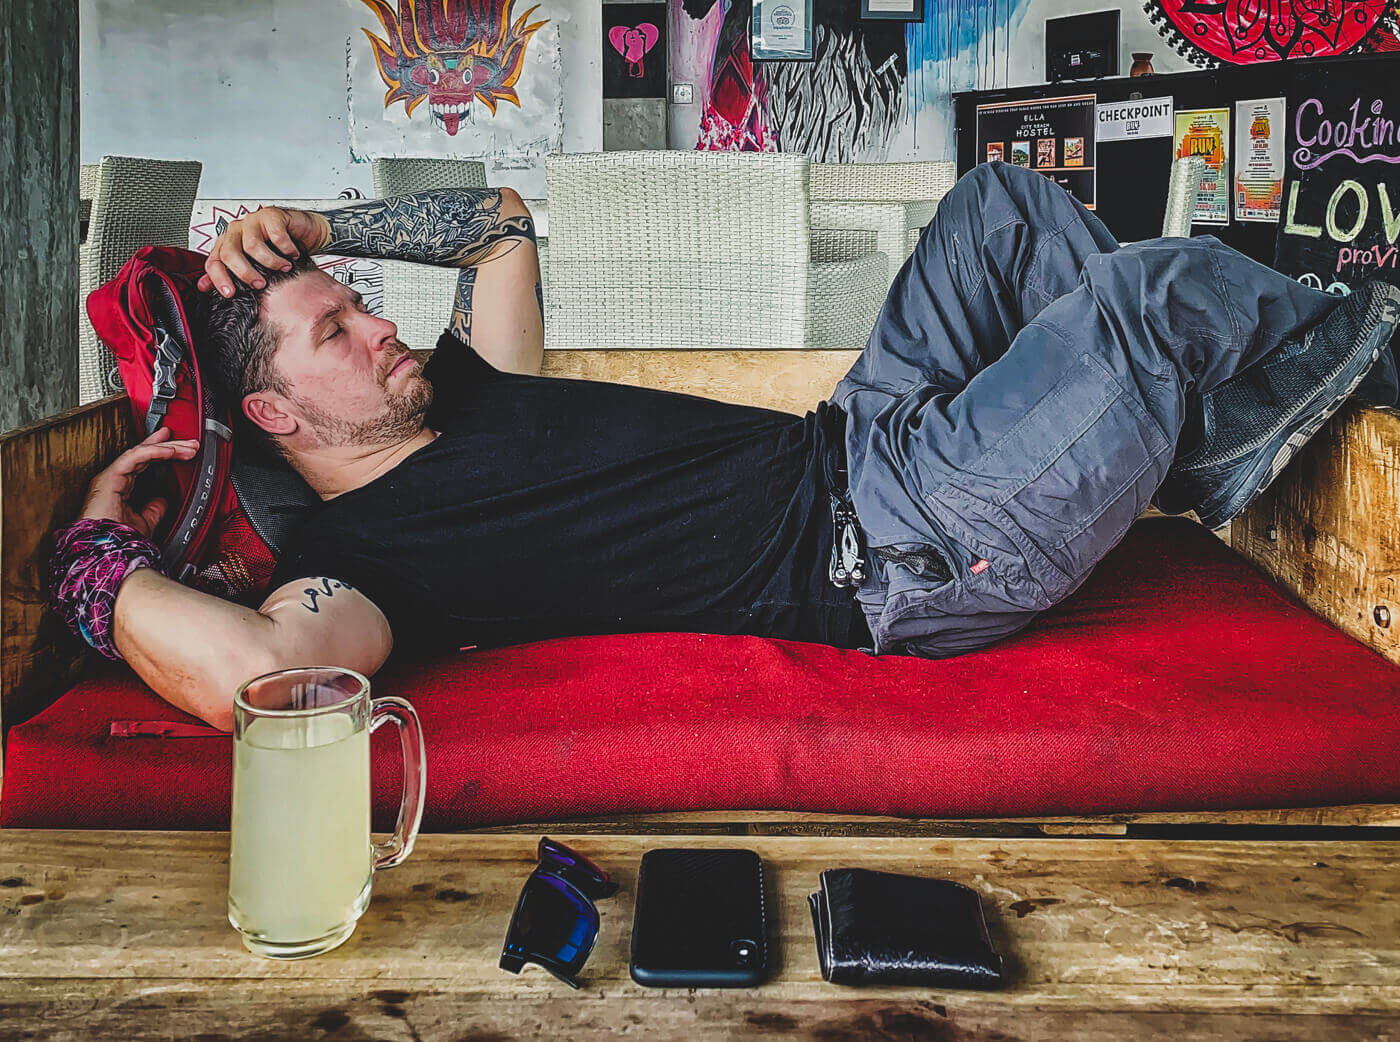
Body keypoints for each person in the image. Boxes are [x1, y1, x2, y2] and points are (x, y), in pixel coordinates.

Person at [53, 165, 1400, 731]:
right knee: (1152, 297)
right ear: (276, 417)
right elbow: (264, 678)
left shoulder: (467, 387)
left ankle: (1210, 441)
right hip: (902, 547)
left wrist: (320, 227)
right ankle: (1332, 371)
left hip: (860, 438)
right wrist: (98, 567)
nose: (378, 325)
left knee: (999, 208)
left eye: (356, 305)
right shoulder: (370, 560)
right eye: (338, 333)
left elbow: (503, 226)